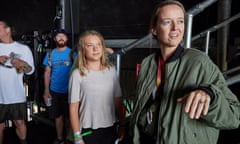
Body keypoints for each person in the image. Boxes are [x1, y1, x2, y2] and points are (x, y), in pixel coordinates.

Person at [129, 0, 240, 144]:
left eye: (180, 21)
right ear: (154, 29)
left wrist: (210, 96)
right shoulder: (147, 64)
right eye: (167, 22)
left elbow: (234, 116)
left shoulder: (199, 62)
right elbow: (141, 106)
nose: (176, 28)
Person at [69, 30, 125, 144]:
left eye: (98, 44)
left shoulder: (111, 70)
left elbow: (118, 102)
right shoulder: (77, 74)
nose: (95, 49)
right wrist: (77, 137)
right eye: (90, 45)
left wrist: (122, 125)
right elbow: (73, 108)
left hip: (111, 128)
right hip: (88, 130)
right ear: (83, 50)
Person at [0, 19, 35, 144]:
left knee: (19, 122)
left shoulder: (23, 49)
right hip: (0, 96)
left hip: (16, 95)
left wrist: (23, 64)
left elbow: (30, 71)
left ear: (7, 29)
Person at [42, 29, 75, 144]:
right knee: (58, 116)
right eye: (58, 36)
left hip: (71, 91)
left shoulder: (72, 53)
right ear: (55, 39)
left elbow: (79, 71)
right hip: (55, 91)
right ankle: (60, 138)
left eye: (63, 36)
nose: (61, 38)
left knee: (70, 117)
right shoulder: (50, 54)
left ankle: (69, 139)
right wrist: (46, 91)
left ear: (67, 39)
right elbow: (47, 72)